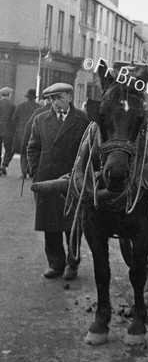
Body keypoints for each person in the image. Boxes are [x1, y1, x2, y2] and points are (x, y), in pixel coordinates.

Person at [27, 83, 89, 280]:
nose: (54, 102)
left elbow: (89, 150)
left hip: (73, 180)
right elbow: (33, 147)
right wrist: (37, 172)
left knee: (73, 225)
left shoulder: (83, 120)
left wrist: (81, 175)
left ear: (70, 96)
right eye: (51, 99)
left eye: (59, 97)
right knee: (50, 224)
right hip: (47, 179)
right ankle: (55, 263)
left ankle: (72, 262)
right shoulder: (40, 120)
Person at [11, 88, 40, 177]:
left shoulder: (20, 106)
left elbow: (14, 119)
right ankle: (31, 170)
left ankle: (24, 172)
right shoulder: (38, 107)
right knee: (33, 151)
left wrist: (18, 127)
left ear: (27, 97)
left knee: (23, 152)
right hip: (34, 132)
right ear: (34, 97)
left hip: (21, 132)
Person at [0, 86, 16, 175]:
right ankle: (4, 165)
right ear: (9, 95)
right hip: (8, 131)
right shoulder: (12, 106)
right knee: (9, 149)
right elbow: (14, 119)